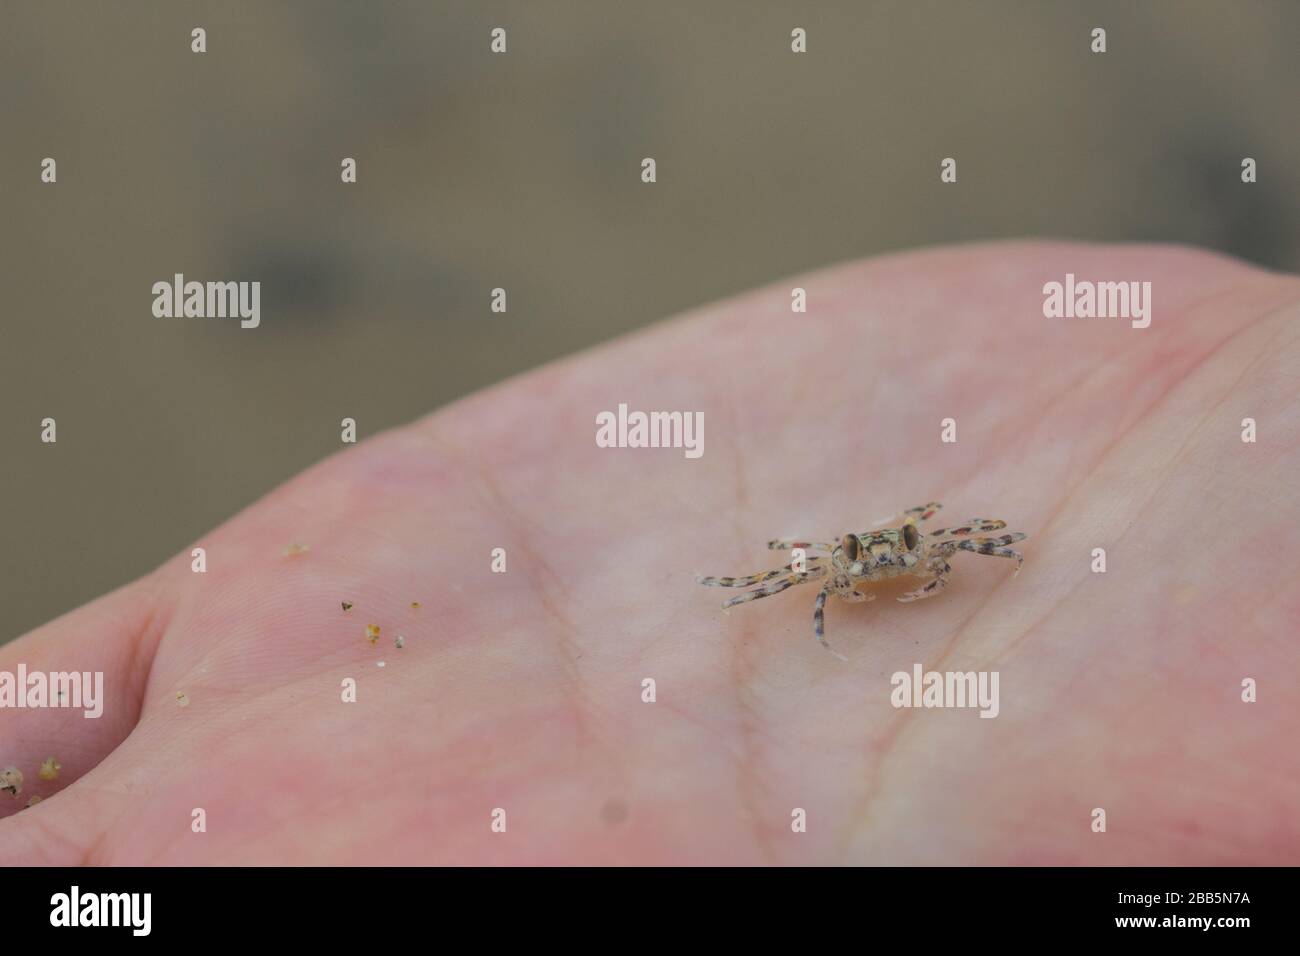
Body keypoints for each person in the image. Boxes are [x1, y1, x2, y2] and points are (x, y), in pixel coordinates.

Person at [2, 241, 1296, 864]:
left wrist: (1213, 400)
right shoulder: (825, 575)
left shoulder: (943, 539)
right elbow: (795, 583)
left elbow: (972, 536)